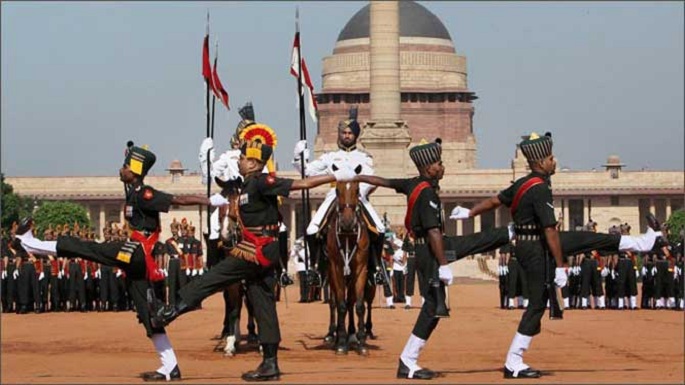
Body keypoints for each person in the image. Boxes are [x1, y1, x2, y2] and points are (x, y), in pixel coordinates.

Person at [451, 132, 667, 378]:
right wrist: (561, 265)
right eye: (551, 158)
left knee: (587, 239)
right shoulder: (539, 187)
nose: (555, 161)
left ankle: (644, 241)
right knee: (536, 304)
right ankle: (514, 360)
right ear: (540, 162)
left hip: (531, 244)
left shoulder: (523, 183)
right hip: (537, 247)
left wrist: (470, 214)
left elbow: (494, 201)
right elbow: (550, 229)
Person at [15, 143, 230, 382]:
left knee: (90, 248)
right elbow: (129, 178)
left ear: (135, 172)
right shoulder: (132, 191)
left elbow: (179, 198)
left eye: (126, 166)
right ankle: (170, 367)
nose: (122, 168)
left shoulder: (146, 194)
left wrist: (211, 201)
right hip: (136, 258)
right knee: (148, 312)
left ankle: (32, 244)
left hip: (137, 251)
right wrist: (130, 153)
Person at [150, 140, 356, 382]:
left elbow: (302, 183)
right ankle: (270, 363)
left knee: (214, 276)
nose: (239, 161)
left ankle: (170, 310)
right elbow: (218, 179)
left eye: (244, 158)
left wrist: (334, 177)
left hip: (257, 249)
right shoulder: (246, 185)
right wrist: (206, 157)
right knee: (262, 301)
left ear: (255, 163)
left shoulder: (262, 181)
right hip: (258, 248)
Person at [292, 106, 387, 284]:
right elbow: (308, 172)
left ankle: (375, 269)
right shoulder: (330, 157)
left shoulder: (364, 157)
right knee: (312, 229)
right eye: (344, 132)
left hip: (358, 198)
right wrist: (300, 157)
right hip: (334, 196)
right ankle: (315, 269)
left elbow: (369, 180)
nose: (346, 136)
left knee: (380, 229)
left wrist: (357, 193)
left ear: (355, 136)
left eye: (350, 133)